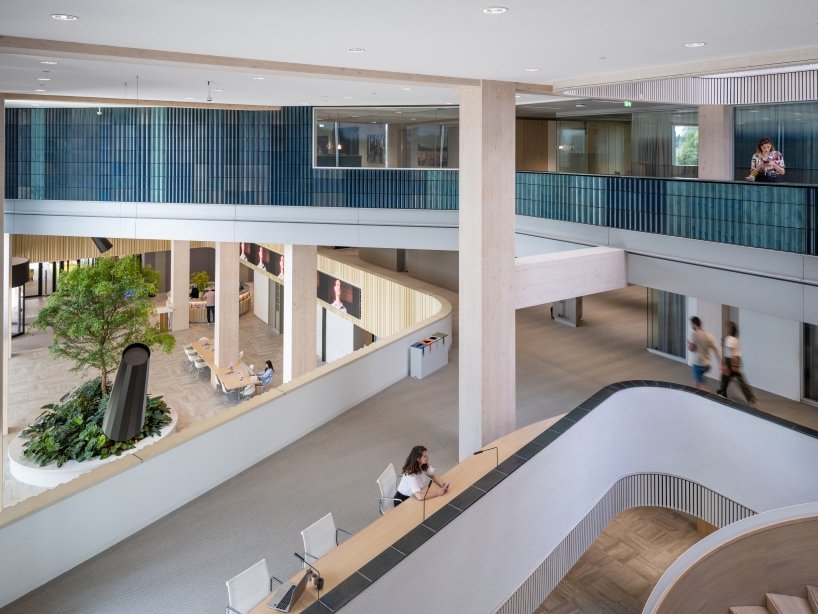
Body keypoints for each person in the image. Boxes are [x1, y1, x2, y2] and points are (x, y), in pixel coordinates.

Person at [717, 321, 757, 405]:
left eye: (727, 327)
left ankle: (722, 392)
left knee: (725, 376)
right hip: (737, 360)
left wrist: (732, 365)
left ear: (729, 329)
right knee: (739, 380)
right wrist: (737, 365)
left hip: (731, 360)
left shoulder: (729, 339)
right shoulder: (736, 339)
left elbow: (733, 352)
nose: (725, 328)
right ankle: (750, 397)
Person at [687, 316, 721, 391]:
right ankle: (695, 395)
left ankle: (708, 399)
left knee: (702, 385)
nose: (691, 326)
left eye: (691, 324)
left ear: (693, 324)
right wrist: (721, 364)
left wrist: (689, 344)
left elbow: (691, 349)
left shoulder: (694, 334)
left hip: (698, 364)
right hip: (707, 365)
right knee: (695, 380)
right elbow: (716, 350)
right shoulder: (710, 336)